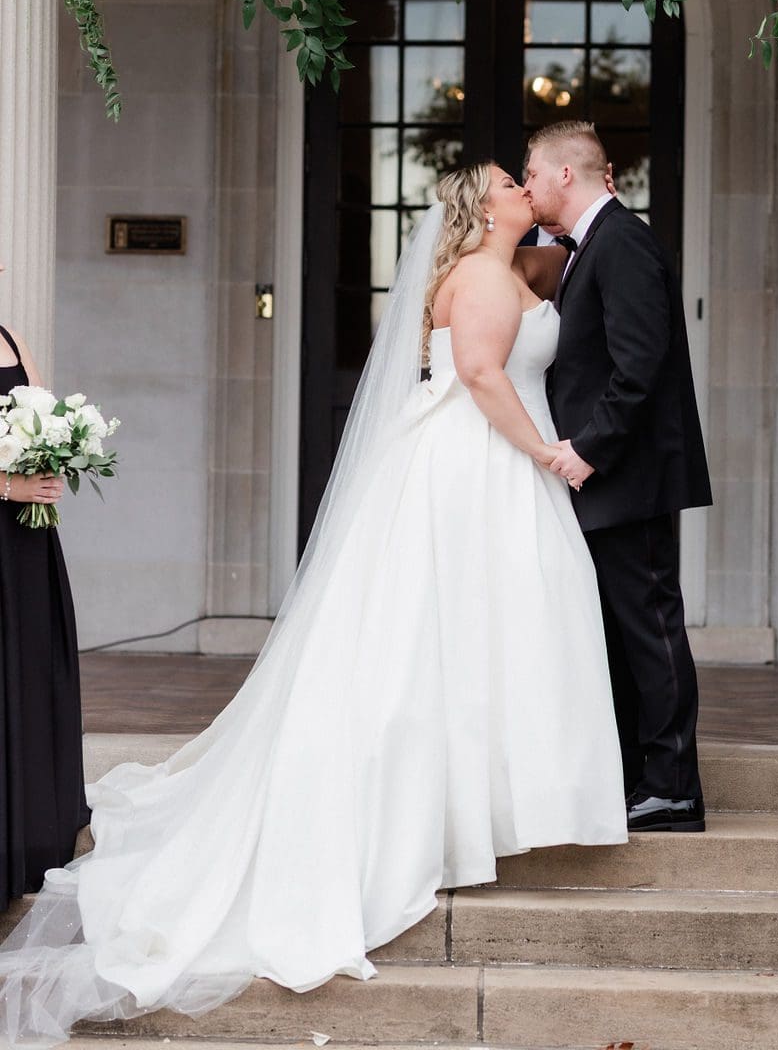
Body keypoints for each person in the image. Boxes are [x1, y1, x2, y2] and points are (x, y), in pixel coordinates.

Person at [0, 167, 625, 1047]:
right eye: (509, 185)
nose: (525, 186)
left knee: (481, 635)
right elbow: (484, 377)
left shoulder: (514, 267)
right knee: (454, 635)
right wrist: (552, 455)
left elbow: (553, 286)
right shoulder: (485, 278)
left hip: (471, 463)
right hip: (479, 462)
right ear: (486, 210)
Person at [523, 121, 712, 834]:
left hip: (628, 477)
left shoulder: (623, 241)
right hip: (609, 480)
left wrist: (591, 449)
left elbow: (640, 365)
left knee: (649, 626)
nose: (530, 185)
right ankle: (641, 775)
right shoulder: (583, 246)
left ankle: (674, 788)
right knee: (619, 630)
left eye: (533, 173)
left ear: (567, 175)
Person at [0, 265, 90, 913]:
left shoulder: (10, 338)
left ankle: (36, 830)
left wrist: (52, 458)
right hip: (4, 513)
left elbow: (40, 409)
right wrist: (7, 487)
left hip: (25, 541)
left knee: (31, 671)